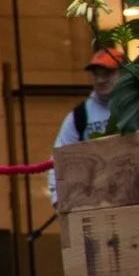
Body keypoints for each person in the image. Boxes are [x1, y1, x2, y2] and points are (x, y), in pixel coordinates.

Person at [51, 48, 122, 206]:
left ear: (123, 73)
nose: (100, 80)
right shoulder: (79, 116)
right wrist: (57, 199)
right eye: (96, 74)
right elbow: (58, 157)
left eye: (107, 73)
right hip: (95, 201)